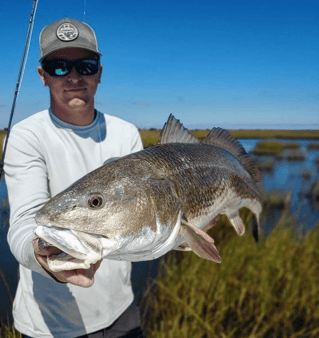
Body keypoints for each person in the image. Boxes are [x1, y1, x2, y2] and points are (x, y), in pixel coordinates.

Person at [4, 18, 146, 338]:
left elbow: (140, 224)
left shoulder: (126, 134)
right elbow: (24, 223)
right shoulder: (26, 136)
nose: (73, 77)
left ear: (99, 72)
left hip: (122, 310)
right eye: (58, 67)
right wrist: (41, 251)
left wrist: (183, 232)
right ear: (43, 76)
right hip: (49, 325)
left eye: (85, 65)